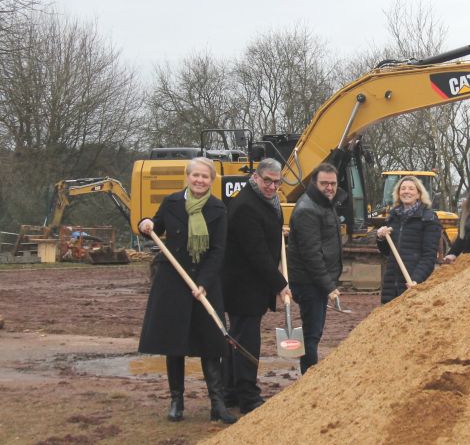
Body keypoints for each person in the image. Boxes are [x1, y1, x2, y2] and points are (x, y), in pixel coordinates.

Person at [138, 157, 237, 424]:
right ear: (188, 176)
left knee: (211, 343)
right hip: (173, 281)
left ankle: (217, 405)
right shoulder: (171, 203)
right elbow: (155, 227)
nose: (200, 181)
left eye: (205, 177)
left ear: (211, 180)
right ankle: (176, 401)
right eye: (196, 176)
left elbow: (218, 251)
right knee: (175, 342)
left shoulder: (218, 208)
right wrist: (145, 224)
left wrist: (204, 282)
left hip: (205, 282)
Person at [221, 158, 291, 414]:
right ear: (256, 178)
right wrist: (280, 284)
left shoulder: (269, 202)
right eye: (268, 181)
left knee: (236, 338)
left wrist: (277, 233)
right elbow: (256, 253)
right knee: (246, 341)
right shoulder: (245, 206)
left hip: (252, 285)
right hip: (242, 285)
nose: (272, 186)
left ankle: (230, 393)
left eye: (277, 182)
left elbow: (266, 238)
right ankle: (248, 396)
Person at [286, 163, 344, 374]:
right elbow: (311, 255)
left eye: (333, 183)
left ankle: (308, 374)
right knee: (311, 333)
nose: (329, 188)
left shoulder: (324, 204)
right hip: (308, 282)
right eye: (324, 183)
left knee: (314, 332)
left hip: (316, 281)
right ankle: (308, 376)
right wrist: (328, 286)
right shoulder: (307, 210)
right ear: (314, 183)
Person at [376, 176, 442, 304]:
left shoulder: (428, 218)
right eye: (403, 188)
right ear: (398, 193)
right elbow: (386, 252)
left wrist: (416, 280)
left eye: (411, 189)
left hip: (412, 283)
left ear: (418, 194)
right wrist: (381, 238)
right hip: (391, 284)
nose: (407, 191)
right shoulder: (393, 216)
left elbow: (429, 257)